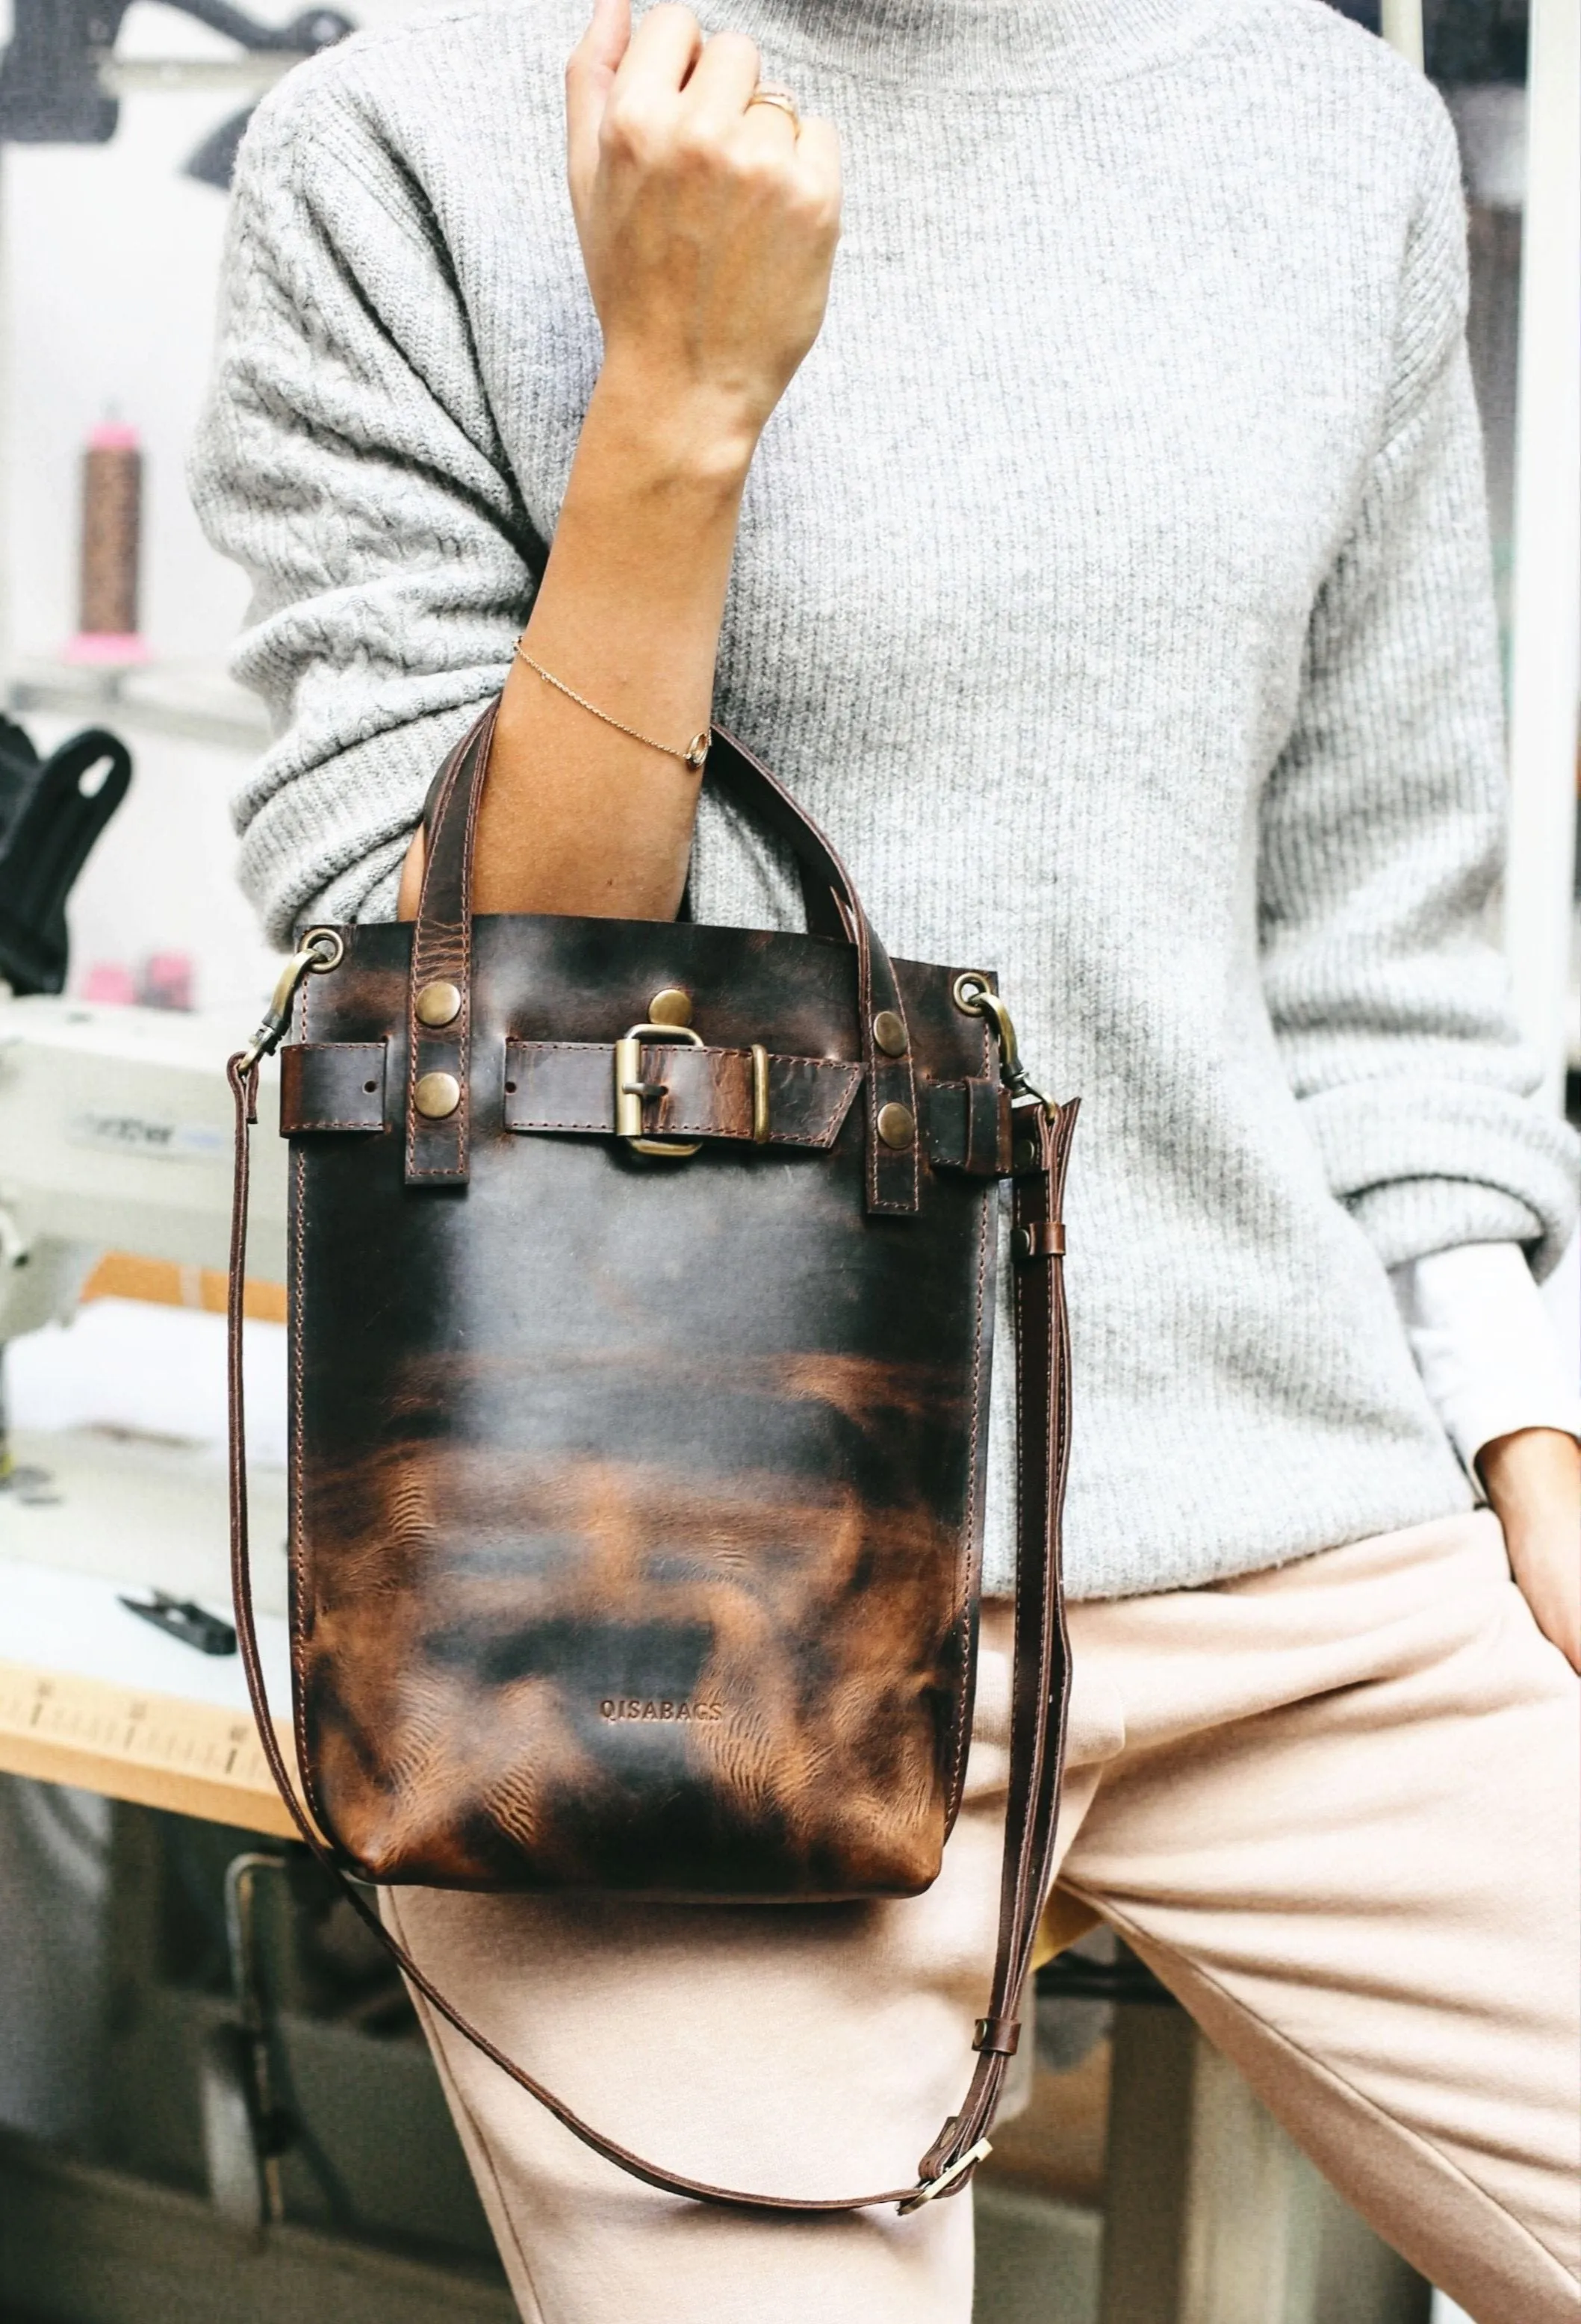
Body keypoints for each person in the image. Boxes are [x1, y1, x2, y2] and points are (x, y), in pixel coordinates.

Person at [190, 0, 1580, 2314]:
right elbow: (450, 995)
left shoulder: (1321, 128)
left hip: (1303, 1548)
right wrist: (678, 409)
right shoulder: (400, 138)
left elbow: (1368, 911)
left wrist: (1518, 1401)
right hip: (665, 1578)